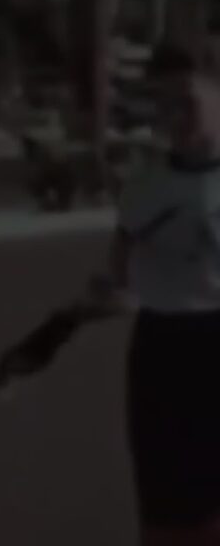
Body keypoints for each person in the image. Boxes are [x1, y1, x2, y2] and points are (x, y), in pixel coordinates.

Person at [104, 46, 220, 546]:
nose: (175, 118)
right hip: (163, 350)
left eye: (186, 102)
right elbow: (117, 264)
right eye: (164, 106)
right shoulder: (145, 185)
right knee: (166, 506)